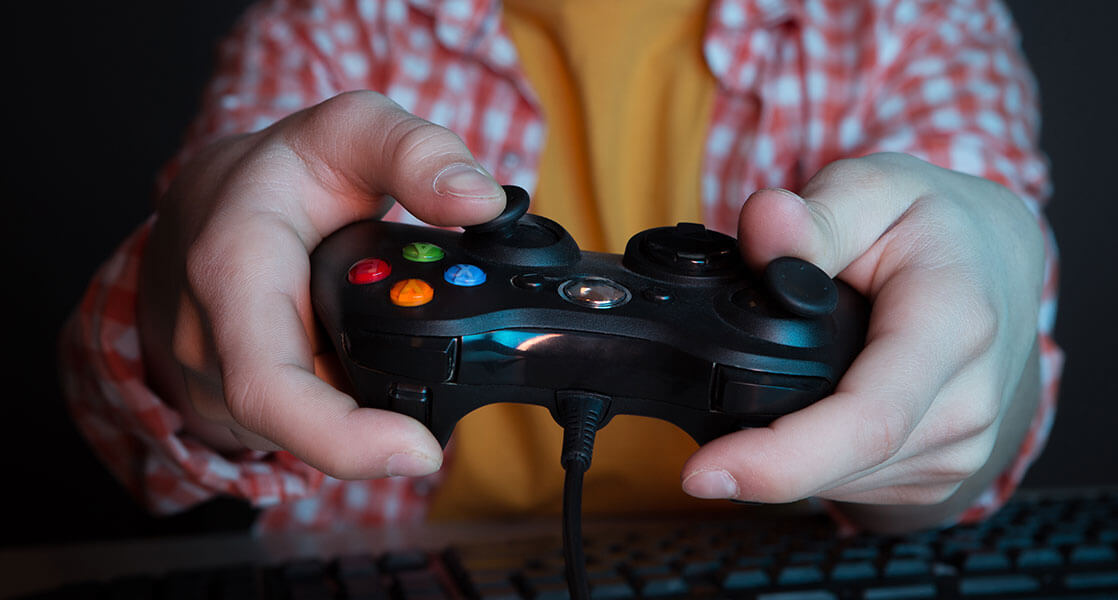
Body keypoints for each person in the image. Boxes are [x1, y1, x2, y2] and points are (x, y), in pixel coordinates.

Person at [60, 0, 1062, 535]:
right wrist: (182, 284)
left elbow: (962, 427)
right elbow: (150, 420)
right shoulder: (333, 21)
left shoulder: (914, 22)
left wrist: (986, 340)